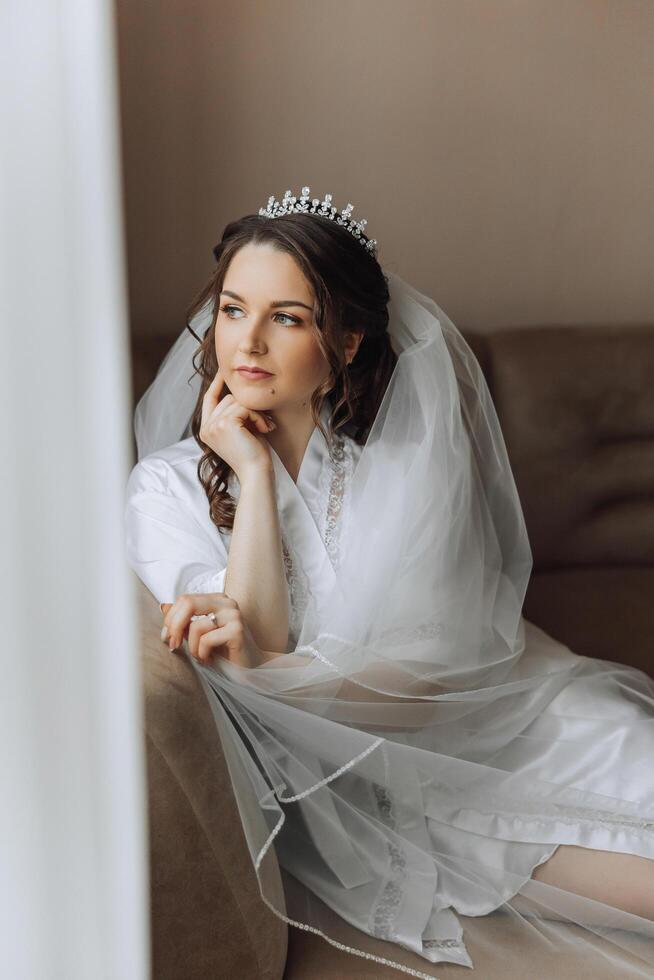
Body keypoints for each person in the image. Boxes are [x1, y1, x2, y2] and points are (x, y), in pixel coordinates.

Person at [124, 186, 654, 978]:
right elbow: (255, 648)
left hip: (512, 711)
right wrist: (254, 478)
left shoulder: (403, 462)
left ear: (346, 341)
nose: (249, 343)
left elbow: (429, 672)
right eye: (233, 310)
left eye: (289, 318)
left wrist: (269, 670)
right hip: (394, 786)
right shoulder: (162, 493)